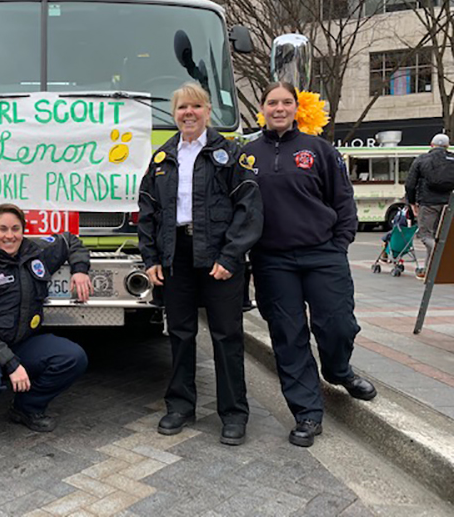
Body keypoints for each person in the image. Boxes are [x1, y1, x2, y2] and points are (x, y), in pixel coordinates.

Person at [243, 82, 377, 448]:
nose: (280, 108)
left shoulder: (320, 150)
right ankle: (307, 413)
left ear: (297, 108)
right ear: (263, 108)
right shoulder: (247, 155)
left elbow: (343, 201)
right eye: (272, 102)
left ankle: (338, 371)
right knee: (288, 337)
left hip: (323, 255)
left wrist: (339, 244)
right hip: (272, 261)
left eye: (287, 102)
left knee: (337, 324)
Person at [138, 83, 263, 446]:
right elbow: (148, 212)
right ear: (174, 114)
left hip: (219, 256)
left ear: (207, 111)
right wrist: (151, 259)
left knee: (227, 336)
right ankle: (179, 406)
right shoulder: (162, 158)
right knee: (179, 334)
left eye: (195, 107)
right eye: (181, 108)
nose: (188, 113)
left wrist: (230, 256)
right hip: (176, 254)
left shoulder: (229, 153)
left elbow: (249, 209)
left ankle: (234, 413)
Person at [0, 203, 92, 439]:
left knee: (73, 358)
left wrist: (80, 269)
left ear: (23, 230)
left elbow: (70, 240)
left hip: (21, 342)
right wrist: (12, 364)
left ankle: (26, 408)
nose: (10, 236)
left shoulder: (36, 253)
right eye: (3, 229)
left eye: (15, 229)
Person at [405, 133, 454, 279]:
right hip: (449, 204)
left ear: (431, 145)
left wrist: (412, 202)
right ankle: (428, 270)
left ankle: (441, 256)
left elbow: (410, 184)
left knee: (426, 236)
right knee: (442, 236)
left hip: (428, 203)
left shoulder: (421, 160)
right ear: (447, 146)